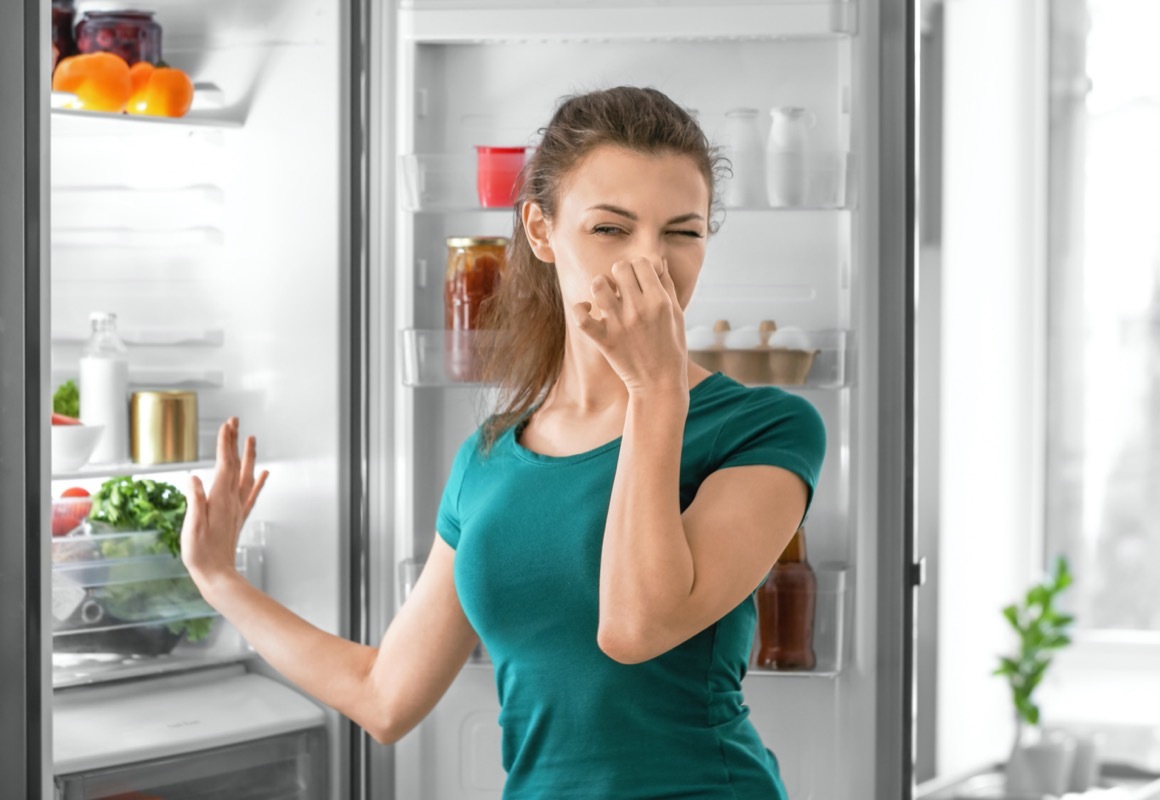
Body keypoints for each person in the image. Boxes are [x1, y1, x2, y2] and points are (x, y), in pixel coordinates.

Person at [181, 85, 826, 800]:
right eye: (611, 229)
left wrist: (655, 392)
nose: (651, 262)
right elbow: (384, 697)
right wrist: (220, 581)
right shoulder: (490, 457)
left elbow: (636, 627)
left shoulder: (762, 429)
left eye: (682, 231)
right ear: (542, 231)